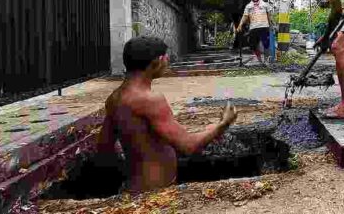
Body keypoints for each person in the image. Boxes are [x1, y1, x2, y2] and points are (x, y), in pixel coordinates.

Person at [96, 36, 238, 193]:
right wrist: (223, 124)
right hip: (155, 191)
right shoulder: (149, 99)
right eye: (165, 57)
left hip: (133, 188)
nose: (167, 61)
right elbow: (188, 145)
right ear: (156, 62)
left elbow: (104, 147)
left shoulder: (114, 98)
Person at [236, 0, 275, 65]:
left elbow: (269, 16)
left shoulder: (265, 5)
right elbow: (245, 16)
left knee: (266, 44)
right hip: (253, 27)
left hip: (264, 26)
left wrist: (272, 24)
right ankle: (260, 60)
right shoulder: (248, 6)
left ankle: (266, 61)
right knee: (253, 45)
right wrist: (240, 25)